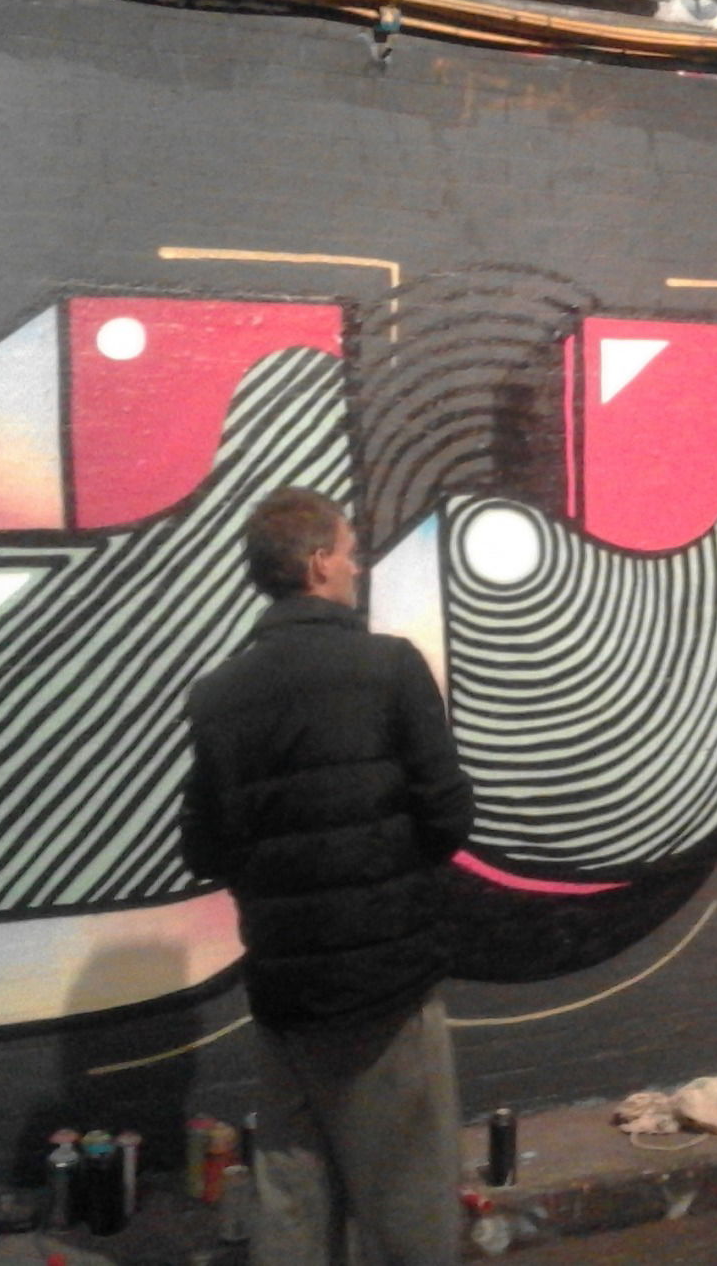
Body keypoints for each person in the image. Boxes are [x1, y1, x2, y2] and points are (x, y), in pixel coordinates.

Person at [181, 486, 476, 1264]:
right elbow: (449, 818)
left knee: (293, 1191)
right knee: (409, 1198)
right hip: (386, 986)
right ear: (317, 563)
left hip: (284, 992)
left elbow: (203, 849)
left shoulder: (217, 696)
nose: (356, 566)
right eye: (348, 551)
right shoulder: (389, 668)